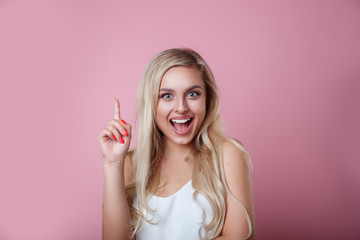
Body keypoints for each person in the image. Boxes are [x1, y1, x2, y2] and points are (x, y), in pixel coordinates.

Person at [98, 48, 255, 240]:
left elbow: (237, 237)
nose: (181, 107)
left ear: (208, 99)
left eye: (192, 94)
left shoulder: (228, 155)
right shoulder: (130, 164)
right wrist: (113, 164)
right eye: (166, 96)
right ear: (151, 104)